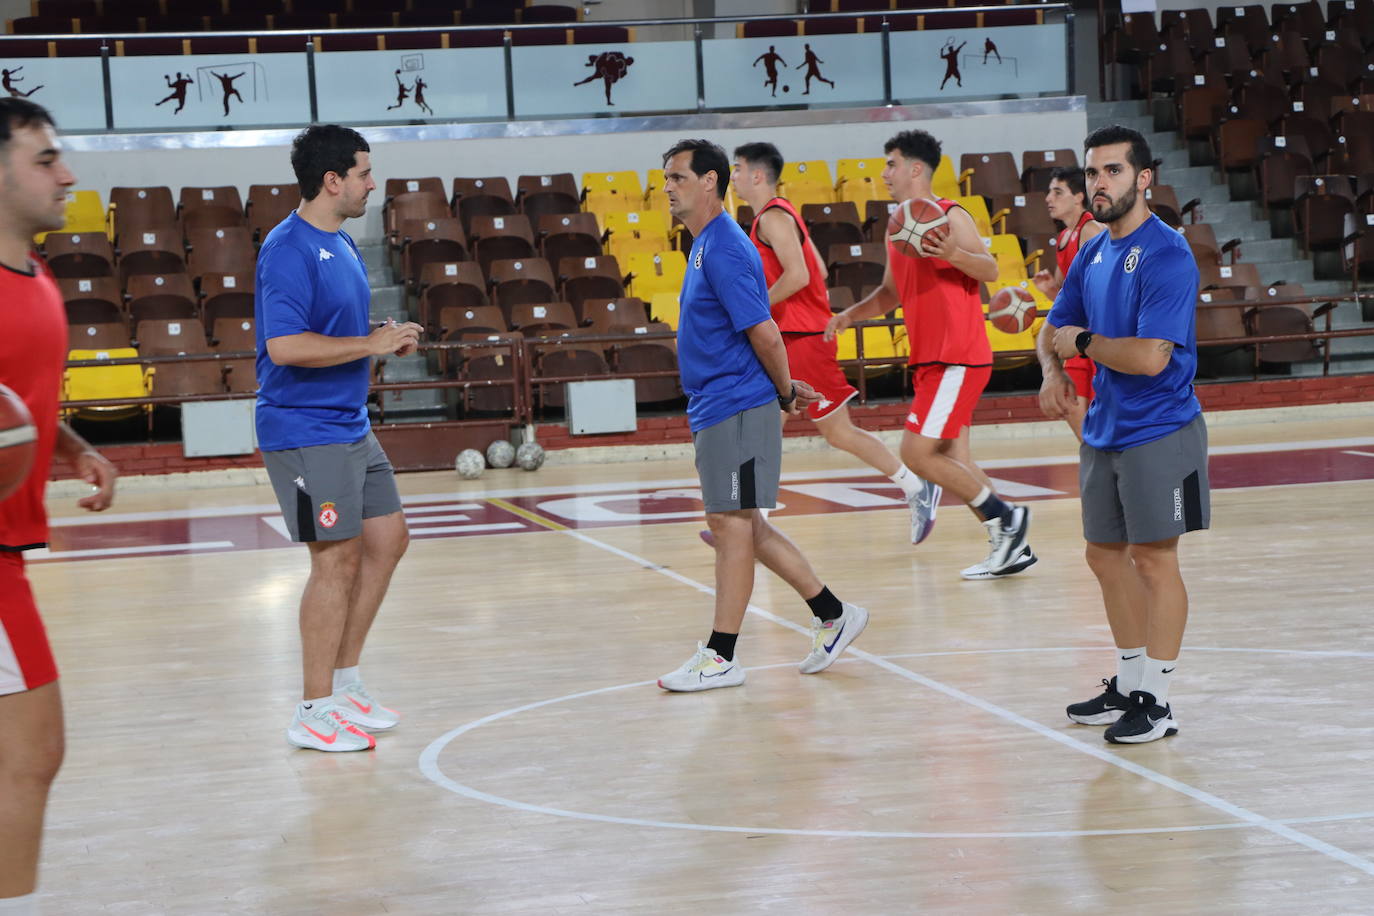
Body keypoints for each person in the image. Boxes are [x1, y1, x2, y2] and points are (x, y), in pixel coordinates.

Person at [656, 139, 867, 692]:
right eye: (665, 179)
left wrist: (780, 391)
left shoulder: (723, 246)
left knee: (731, 525)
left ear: (709, 182)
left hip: (737, 405)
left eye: (677, 177)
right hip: (719, 404)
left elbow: (765, 331)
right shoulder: (705, 243)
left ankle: (721, 656)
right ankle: (833, 613)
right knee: (744, 525)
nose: (668, 187)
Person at [1037, 125, 1209, 744]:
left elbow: (1150, 358)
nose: (1098, 184)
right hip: (1106, 429)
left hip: (1161, 428)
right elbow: (1053, 323)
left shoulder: (1166, 253)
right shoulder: (1093, 251)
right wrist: (1054, 372)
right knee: (1104, 555)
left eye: (1111, 171)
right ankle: (1129, 683)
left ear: (1143, 179)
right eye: (1091, 173)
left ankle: (1158, 702)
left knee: (1155, 560)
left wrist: (1080, 345)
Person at [256, 125, 424, 751]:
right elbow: (286, 346)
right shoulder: (287, 249)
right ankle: (313, 707)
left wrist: (383, 331)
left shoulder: (344, 244)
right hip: (303, 430)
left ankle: (344, 680)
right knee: (334, 559)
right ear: (333, 180)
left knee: (388, 538)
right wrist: (370, 344)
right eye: (363, 172)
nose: (371, 183)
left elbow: (335, 329)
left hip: (349, 423)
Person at [0, 98, 118, 916]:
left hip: (12, 548)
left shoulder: (36, 272)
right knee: (34, 754)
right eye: (44, 159)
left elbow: (18, 399)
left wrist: (68, 443)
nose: (66, 174)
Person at [826, 129, 1035, 580]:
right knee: (955, 459)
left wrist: (954, 251)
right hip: (932, 360)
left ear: (915, 169)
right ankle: (1010, 544)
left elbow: (991, 269)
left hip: (956, 355)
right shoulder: (899, 226)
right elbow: (889, 293)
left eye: (891, 164)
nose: (884, 174)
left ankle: (1007, 519)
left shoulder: (950, 214)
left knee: (917, 454)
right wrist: (850, 315)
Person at [729, 141, 941, 545]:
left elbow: (801, 276)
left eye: (737, 168)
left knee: (828, 432)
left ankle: (915, 484)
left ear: (757, 175)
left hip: (802, 339)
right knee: (779, 428)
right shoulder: (782, 214)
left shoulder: (772, 218)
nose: (733, 176)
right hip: (798, 336)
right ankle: (752, 523)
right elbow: (820, 269)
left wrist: (751, 308)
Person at [1032, 166, 1105, 441]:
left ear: (1078, 197)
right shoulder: (1064, 237)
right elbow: (1066, 297)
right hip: (1073, 336)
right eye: (1049, 192)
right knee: (1072, 409)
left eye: (1057, 192)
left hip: (1096, 336)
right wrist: (1050, 289)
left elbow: (1105, 291)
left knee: (1102, 416)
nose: (1049, 198)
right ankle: (1099, 469)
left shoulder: (1091, 231)